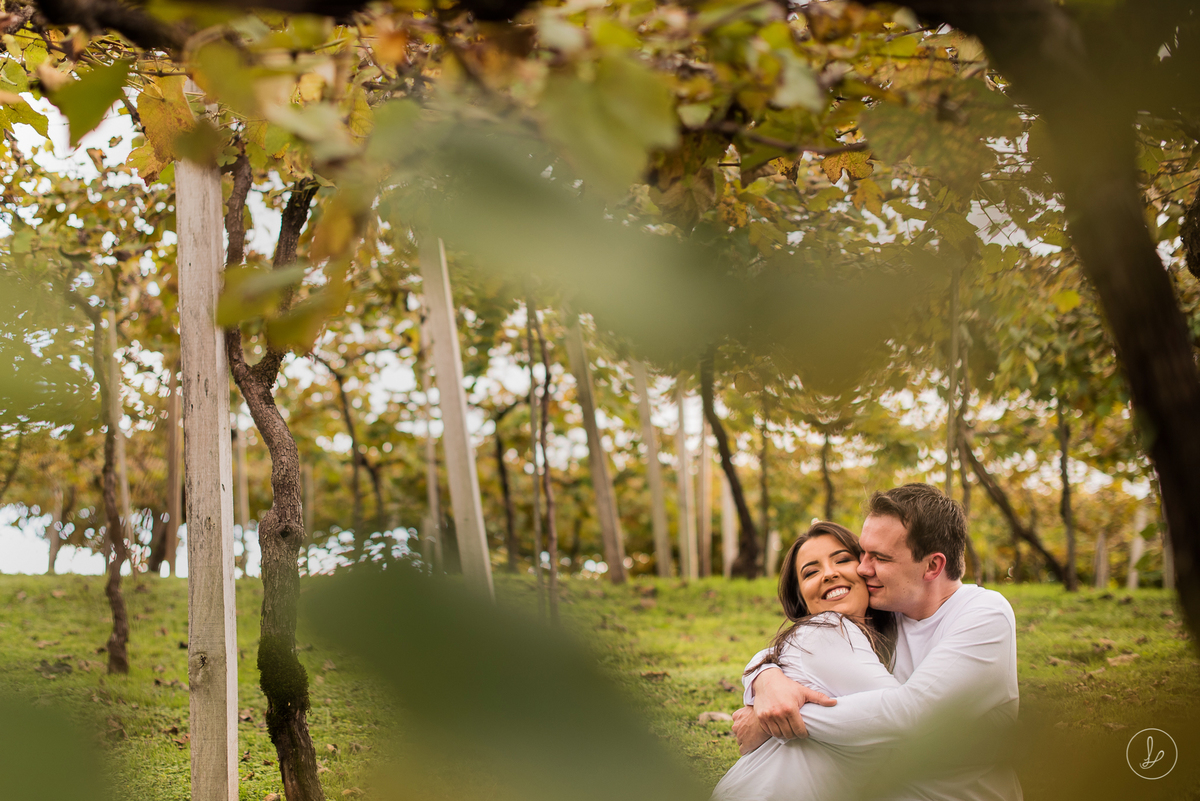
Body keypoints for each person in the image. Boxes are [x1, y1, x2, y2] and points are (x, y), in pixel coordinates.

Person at [733, 483, 1022, 801]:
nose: (861, 568)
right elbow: (802, 642)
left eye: (880, 558)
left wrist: (776, 720)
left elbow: (909, 717)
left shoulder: (983, 614)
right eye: (863, 553)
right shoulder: (885, 612)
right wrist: (765, 678)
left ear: (932, 566)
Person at [711, 521, 900, 801]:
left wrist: (768, 718)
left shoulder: (880, 638)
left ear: (865, 569)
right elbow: (907, 717)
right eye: (811, 572)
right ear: (802, 599)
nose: (829, 574)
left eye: (842, 560)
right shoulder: (826, 629)